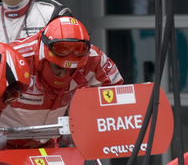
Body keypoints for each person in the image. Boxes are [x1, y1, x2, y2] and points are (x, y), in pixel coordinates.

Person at [0, 15, 123, 147]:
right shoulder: (14, 59)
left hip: (49, 144)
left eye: (72, 69)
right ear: (42, 59)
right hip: (7, 145)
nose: (64, 74)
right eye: (58, 67)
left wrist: (82, 117)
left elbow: (116, 93)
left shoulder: (93, 58)